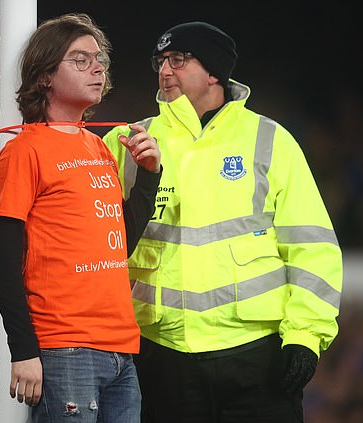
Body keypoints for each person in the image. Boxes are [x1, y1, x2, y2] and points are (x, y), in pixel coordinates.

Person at [103, 21, 343, 423]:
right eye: (160, 61)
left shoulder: (270, 140)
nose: (164, 70)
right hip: (160, 357)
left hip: (256, 359)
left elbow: (312, 246)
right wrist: (16, 143)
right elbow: (61, 180)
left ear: (214, 72)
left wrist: (305, 336)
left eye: (178, 60)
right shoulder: (130, 139)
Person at [0, 13, 161, 422]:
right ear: (45, 74)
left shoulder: (99, 148)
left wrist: (149, 179)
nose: (98, 67)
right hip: (64, 348)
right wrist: (25, 350)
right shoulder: (23, 152)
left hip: (120, 346)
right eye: (80, 59)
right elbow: (0, 259)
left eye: (99, 59)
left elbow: (118, 243)